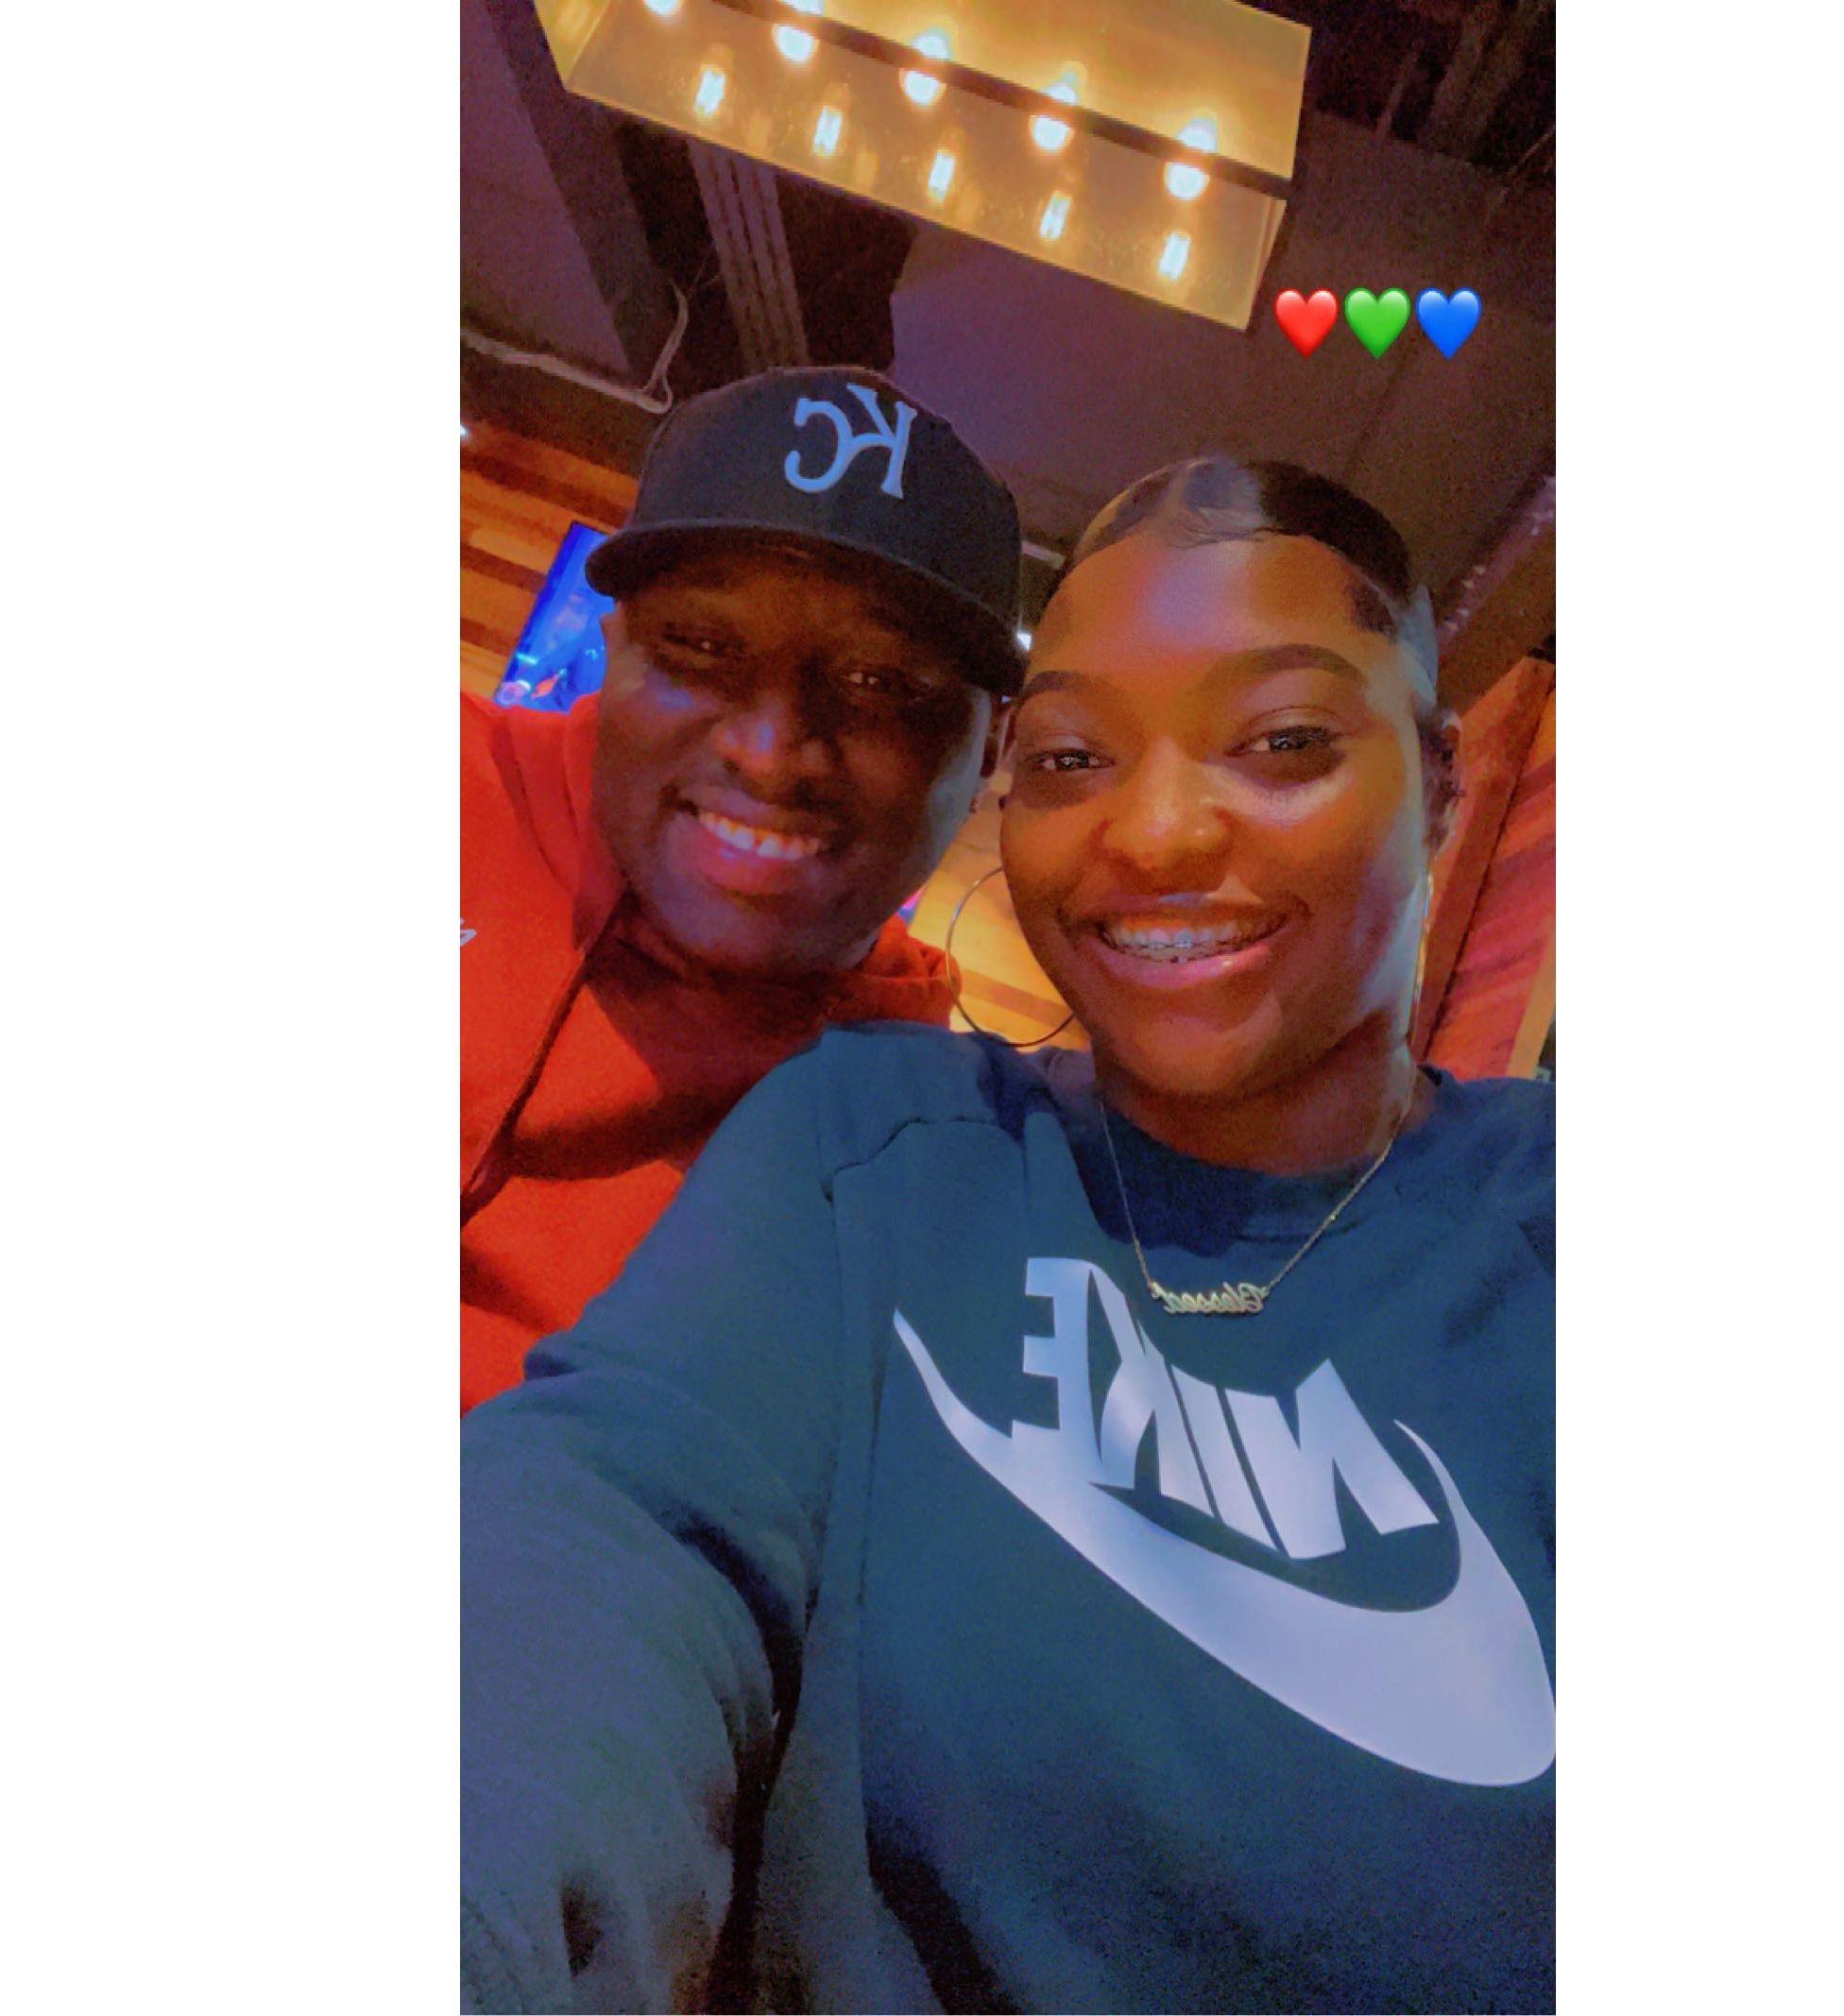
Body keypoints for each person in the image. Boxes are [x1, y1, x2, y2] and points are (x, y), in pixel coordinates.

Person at [461, 458, 1555, 2012]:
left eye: (1281, 740)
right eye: (1069, 756)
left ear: (1436, 785)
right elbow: (614, 1522)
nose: (1152, 832)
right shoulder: (878, 1142)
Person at [461, 367, 1025, 1410]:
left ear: (991, 747)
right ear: (615, 648)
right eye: (703, 646)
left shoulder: (914, 1170)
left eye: (879, 683)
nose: (768, 753)